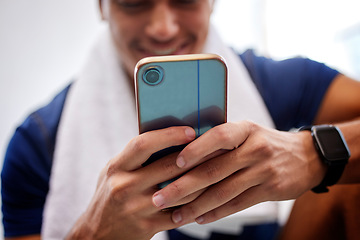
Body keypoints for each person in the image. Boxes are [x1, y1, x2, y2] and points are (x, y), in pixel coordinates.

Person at [2, 0, 360, 239]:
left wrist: (314, 153)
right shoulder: (37, 145)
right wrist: (92, 233)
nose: (163, 28)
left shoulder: (277, 82)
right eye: (133, 2)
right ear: (101, 5)